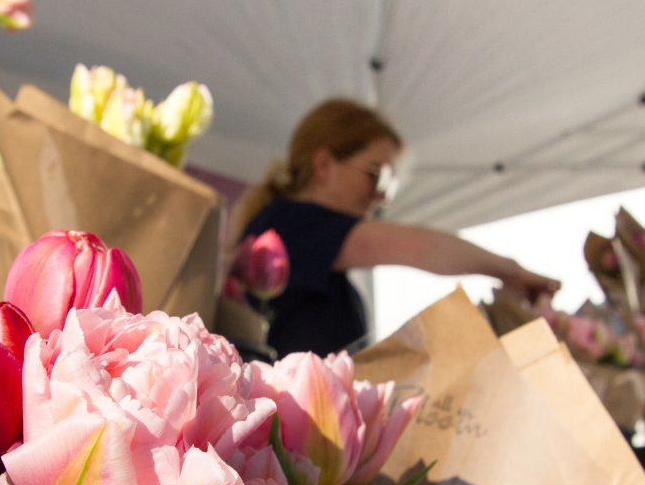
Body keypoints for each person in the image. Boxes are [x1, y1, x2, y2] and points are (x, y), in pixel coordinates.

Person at [230, 97, 560, 359]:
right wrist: (510, 271)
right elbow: (420, 247)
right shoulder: (293, 223)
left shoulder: (309, 246)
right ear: (323, 165)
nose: (381, 196)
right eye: (376, 175)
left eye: (390, 184)